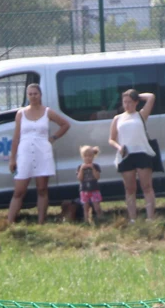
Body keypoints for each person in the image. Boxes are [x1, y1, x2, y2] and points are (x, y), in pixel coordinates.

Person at [7, 83, 70, 225]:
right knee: (19, 190)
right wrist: (12, 158)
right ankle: (10, 222)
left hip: (42, 152)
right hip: (25, 154)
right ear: (27, 96)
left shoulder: (47, 112)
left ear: (40, 95)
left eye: (35, 93)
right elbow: (16, 137)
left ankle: (41, 221)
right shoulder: (21, 114)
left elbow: (65, 124)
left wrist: (53, 138)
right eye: (30, 94)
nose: (33, 96)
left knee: (42, 189)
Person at [109, 89, 158, 223]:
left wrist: (137, 96)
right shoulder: (117, 118)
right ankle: (132, 218)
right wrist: (119, 147)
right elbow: (111, 139)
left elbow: (151, 97)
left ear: (136, 102)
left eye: (130, 102)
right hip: (126, 154)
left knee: (146, 186)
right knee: (130, 188)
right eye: (125, 102)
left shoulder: (141, 115)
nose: (127, 105)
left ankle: (150, 217)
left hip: (142, 152)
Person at [76, 145, 102, 225]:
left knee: (97, 206)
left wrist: (93, 169)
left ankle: (100, 218)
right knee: (85, 207)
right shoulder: (80, 167)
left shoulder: (96, 166)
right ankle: (86, 221)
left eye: (90, 156)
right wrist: (81, 170)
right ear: (82, 157)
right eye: (85, 156)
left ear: (93, 156)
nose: (88, 158)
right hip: (84, 190)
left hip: (94, 189)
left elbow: (97, 177)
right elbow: (79, 178)